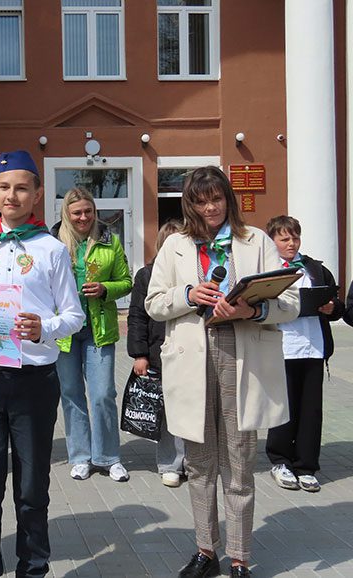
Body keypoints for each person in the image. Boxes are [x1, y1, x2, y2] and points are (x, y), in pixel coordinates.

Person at [145, 166, 299, 578]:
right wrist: (188, 294)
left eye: (216, 198)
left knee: (239, 461)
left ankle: (239, 556)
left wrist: (253, 310)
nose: (210, 208)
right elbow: (153, 303)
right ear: (190, 205)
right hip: (192, 356)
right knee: (199, 462)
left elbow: (291, 303)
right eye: (200, 201)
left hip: (241, 352)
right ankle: (205, 550)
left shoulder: (257, 241)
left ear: (228, 199)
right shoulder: (176, 245)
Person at [0, 151, 85, 578]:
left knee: (30, 487)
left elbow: (74, 316)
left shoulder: (52, 250)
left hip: (33, 382)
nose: (13, 195)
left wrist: (43, 327)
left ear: (37, 194)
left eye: (22, 188)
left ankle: (33, 568)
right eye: (5, 187)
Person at [54, 188, 132, 482]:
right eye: (77, 212)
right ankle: (80, 456)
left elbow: (126, 281)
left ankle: (108, 457)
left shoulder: (110, 240)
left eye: (88, 211)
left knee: (102, 394)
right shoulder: (54, 242)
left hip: (99, 329)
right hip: (65, 332)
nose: (83, 217)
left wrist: (105, 289)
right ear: (67, 214)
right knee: (71, 394)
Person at [264, 215, 344, 493]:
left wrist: (331, 308)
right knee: (283, 406)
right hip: (282, 347)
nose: (291, 243)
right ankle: (280, 460)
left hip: (313, 347)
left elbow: (337, 306)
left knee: (311, 409)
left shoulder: (315, 268)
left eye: (295, 237)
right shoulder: (268, 270)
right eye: (284, 238)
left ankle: (306, 466)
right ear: (272, 241)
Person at [127, 219, 186, 487]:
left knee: (191, 407)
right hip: (158, 352)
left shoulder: (194, 274)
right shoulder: (147, 275)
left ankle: (193, 461)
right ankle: (170, 463)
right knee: (166, 412)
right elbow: (137, 317)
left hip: (190, 352)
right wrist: (140, 354)